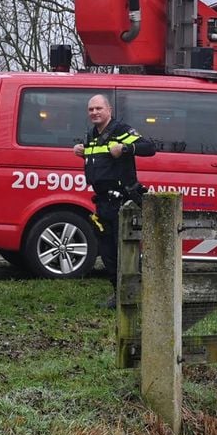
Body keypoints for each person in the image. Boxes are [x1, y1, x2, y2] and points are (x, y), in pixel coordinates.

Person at [73, 93, 156, 308]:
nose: (94, 112)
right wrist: (81, 152)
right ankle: (119, 296)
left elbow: (149, 147)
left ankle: (138, 297)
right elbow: (99, 162)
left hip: (122, 203)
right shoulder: (91, 135)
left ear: (109, 110)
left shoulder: (121, 130)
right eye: (91, 109)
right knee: (108, 253)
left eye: (98, 108)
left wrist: (125, 148)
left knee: (125, 252)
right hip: (102, 203)